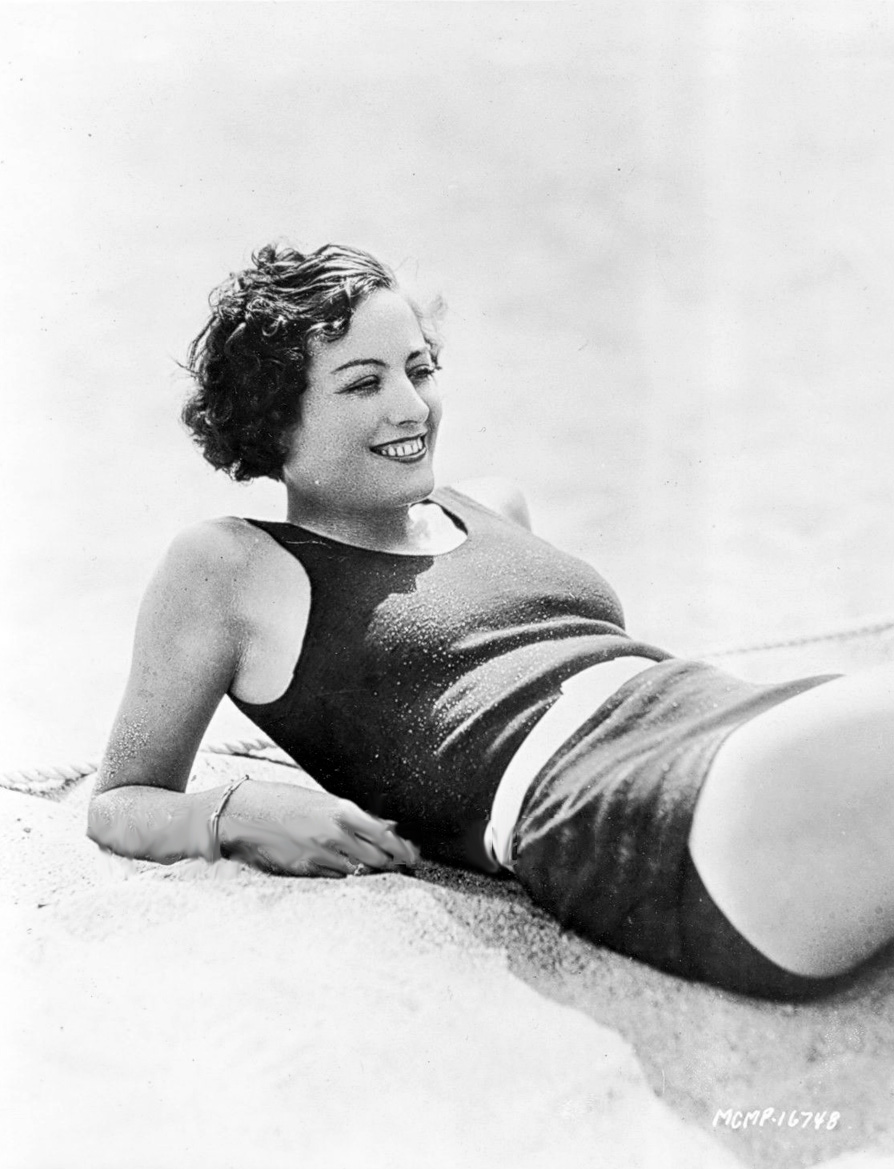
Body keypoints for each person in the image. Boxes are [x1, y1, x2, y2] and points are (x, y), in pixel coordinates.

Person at [88, 241, 894, 1000]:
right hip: (651, 816)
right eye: (364, 383)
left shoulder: (494, 504)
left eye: (421, 368)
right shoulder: (229, 566)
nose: (412, 407)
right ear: (274, 420)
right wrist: (235, 811)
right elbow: (123, 797)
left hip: (733, 727)